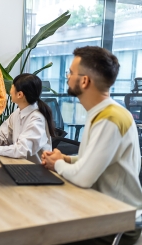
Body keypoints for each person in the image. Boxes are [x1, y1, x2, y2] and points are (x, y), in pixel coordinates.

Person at [41, 46, 142, 245]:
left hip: (115, 224)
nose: (68, 77)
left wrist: (57, 165)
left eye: (70, 72)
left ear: (84, 80)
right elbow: (98, 157)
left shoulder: (110, 118)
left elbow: (84, 177)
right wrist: (66, 159)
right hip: (98, 211)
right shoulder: (102, 112)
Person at [0, 73, 54, 164]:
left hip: (35, 172)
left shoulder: (37, 119)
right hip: (19, 166)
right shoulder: (18, 112)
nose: (10, 91)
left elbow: (21, 150)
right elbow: (3, 135)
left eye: (12, 87)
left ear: (20, 94)